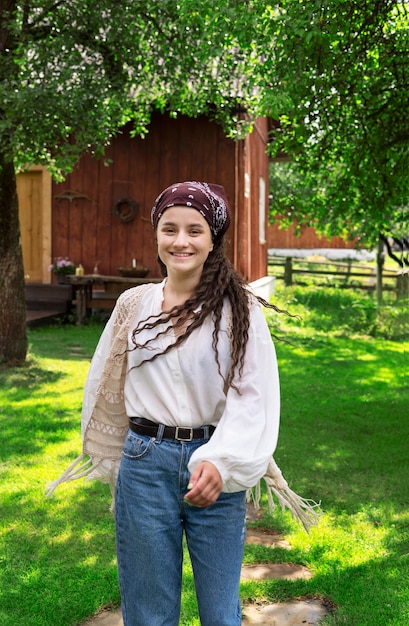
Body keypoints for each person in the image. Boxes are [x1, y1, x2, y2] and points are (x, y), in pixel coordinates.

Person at [46, 181, 320, 626]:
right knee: (149, 613)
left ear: (213, 239)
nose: (180, 241)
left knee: (219, 614)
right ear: (155, 235)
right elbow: (104, 379)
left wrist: (222, 462)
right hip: (144, 462)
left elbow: (253, 396)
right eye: (169, 228)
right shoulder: (134, 305)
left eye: (194, 230)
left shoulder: (241, 309)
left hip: (213, 468)